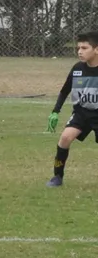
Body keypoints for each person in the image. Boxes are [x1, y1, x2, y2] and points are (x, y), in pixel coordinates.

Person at [45, 30, 98, 187]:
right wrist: (55, 111)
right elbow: (64, 91)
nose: (80, 51)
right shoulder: (77, 69)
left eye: (84, 48)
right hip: (81, 113)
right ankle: (57, 176)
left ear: (96, 49)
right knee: (65, 138)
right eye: (78, 48)